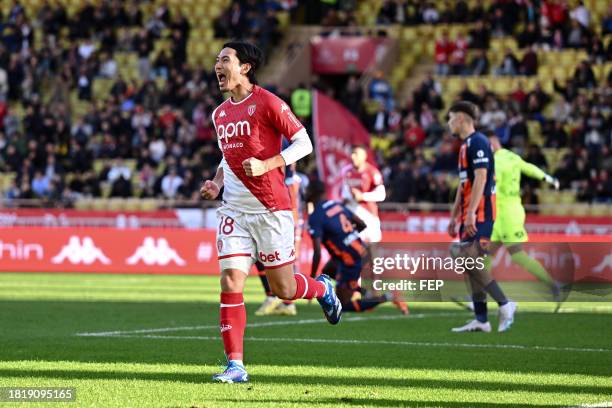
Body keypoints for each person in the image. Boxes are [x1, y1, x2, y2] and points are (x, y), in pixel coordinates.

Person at [200, 41, 341, 384]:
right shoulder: (220, 114)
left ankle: (322, 289)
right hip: (234, 209)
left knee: (284, 289)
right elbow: (227, 157)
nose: (218, 65)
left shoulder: (267, 102)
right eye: (217, 60)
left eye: (225, 60)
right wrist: (217, 184)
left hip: (271, 208)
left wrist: (268, 163)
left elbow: (303, 142)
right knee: (231, 280)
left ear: (244, 67)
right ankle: (235, 365)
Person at [446, 101, 517, 333]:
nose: (448, 122)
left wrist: (470, 213)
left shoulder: (478, 142)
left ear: (462, 119)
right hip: (471, 212)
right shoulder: (465, 145)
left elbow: (481, 178)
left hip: (482, 212)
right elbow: (464, 183)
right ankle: (482, 319)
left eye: (451, 117)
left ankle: (505, 303)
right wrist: (454, 214)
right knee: (469, 262)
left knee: (466, 257)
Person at [487, 133, 564, 310]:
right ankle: (479, 294)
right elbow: (529, 168)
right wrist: (548, 178)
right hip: (502, 212)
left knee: (517, 254)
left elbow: (492, 181)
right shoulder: (513, 157)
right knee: (486, 253)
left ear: (491, 144)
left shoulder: (496, 162)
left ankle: (553, 285)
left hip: (506, 212)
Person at [307, 180, 406, 314]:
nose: (304, 192)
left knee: (341, 305)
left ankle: (388, 296)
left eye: (307, 190)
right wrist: (349, 237)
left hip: (351, 259)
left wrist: (311, 280)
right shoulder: (336, 205)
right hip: (359, 249)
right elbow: (361, 224)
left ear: (312, 194)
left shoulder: (315, 217)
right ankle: (365, 292)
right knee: (329, 270)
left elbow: (317, 253)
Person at [341, 145, 385, 244]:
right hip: (352, 215)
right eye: (352, 154)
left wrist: (362, 196)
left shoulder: (372, 172)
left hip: (368, 215)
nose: (353, 156)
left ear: (364, 156)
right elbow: (344, 192)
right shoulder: (346, 171)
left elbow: (382, 195)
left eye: (356, 154)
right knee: (355, 249)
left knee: (372, 248)